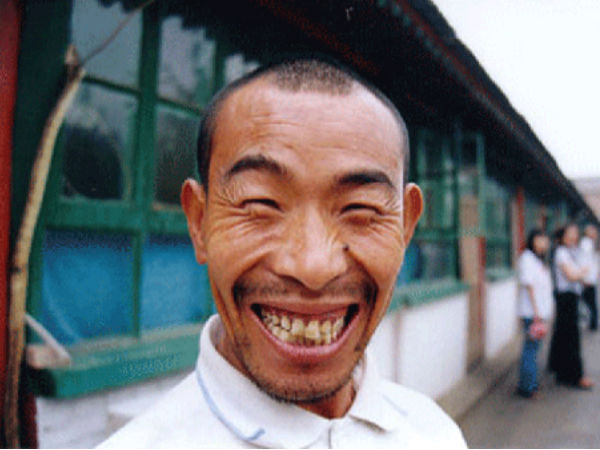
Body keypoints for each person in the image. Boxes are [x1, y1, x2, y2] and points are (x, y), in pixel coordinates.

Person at [99, 58, 466, 448]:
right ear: (199, 222)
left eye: (360, 209)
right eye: (261, 204)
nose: (313, 267)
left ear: (406, 226)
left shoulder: (434, 434)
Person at [548, 224, 594, 390]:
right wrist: (584, 271)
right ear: (562, 236)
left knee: (563, 335)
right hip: (566, 298)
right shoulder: (562, 252)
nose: (574, 236)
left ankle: (561, 371)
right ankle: (575, 376)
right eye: (570, 233)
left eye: (575, 233)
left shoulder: (569, 252)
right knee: (572, 338)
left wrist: (581, 275)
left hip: (569, 297)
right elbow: (571, 275)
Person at [516, 229, 553, 399]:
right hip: (532, 313)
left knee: (533, 349)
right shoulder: (527, 258)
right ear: (532, 241)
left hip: (538, 312)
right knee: (530, 349)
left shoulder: (538, 260)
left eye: (545, 240)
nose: (544, 243)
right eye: (540, 239)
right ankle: (527, 387)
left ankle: (530, 383)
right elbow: (529, 286)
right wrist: (536, 313)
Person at [579, 224, 598, 331]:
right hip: (587, 279)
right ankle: (592, 323)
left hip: (589, 278)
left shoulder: (589, 243)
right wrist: (584, 278)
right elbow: (585, 262)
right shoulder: (586, 244)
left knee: (590, 302)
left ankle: (592, 323)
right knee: (590, 302)